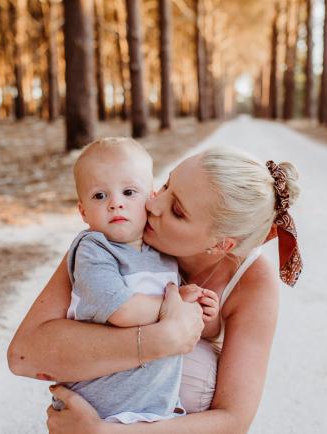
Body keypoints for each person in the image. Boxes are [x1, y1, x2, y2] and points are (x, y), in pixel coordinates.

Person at [8, 146, 303, 433]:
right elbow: (23, 356)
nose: (152, 205)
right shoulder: (117, 234)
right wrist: (161, 338)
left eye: (176, 211)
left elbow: (234, 421)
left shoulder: (252, 282)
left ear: (220, 244)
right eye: (165, 186)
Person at [52, 137, 219, 424]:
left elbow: (194, 327)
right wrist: (177, 303)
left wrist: (204, 311)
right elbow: (120, 309)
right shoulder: (93, 248)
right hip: (98, 405)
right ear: (83, 212)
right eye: (99, 196)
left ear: (149, 197)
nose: (116, 203)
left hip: (152, 408)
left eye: (129, 192)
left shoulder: (162, 253)